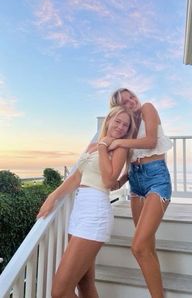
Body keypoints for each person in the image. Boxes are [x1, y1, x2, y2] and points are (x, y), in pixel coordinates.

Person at [37, 106, 136, 298]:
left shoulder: (119, 147)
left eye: (126, 125)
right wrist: (52, 197)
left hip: (95, 212)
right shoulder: (93, 146)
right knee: (84, 282)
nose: (121, 127)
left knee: (59, 291)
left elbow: (108, 181)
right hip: (79, 212)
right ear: (108, 120)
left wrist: (103, 146)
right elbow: (76, 179)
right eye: (118, 121)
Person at [109, 88, 172, 298]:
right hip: (135, 182)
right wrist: (120, 180)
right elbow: (131, 162)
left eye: (131, 97)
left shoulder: (147, 108)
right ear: (119, 108)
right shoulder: (128, 127)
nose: (132, 102)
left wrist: (118, 142)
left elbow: (151, 141)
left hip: (156, 178)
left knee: (137, 246)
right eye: (125, 102)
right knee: (147, 246)